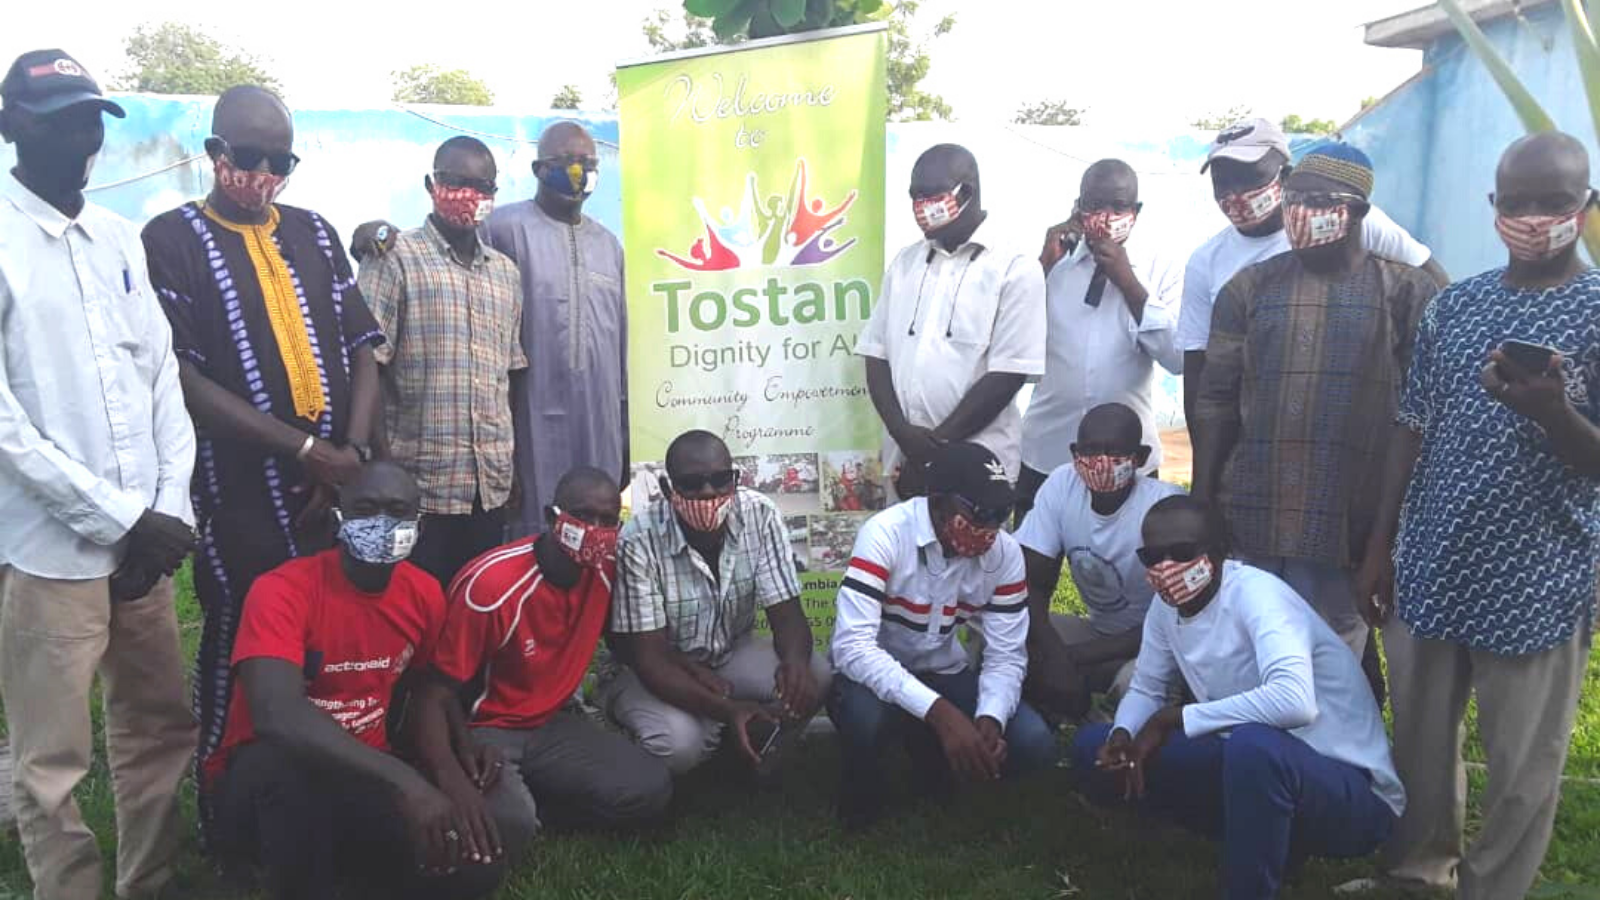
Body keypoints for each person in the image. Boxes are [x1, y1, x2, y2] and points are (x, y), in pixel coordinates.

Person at [1357, 131, 1600, 900]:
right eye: (1517, 202)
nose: (1533, 218)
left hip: (1540, 575)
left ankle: (1492, 889)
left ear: (1586, 206)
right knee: (1421, 745)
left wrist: (1554, 412)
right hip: (1434, 561)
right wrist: (1381, 547)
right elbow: (1411, 426)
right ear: (1495, 205)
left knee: (1522, 766)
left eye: (1554, 202)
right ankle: (1420, 870)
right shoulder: (1456, 305)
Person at [142, 84, 384, 817]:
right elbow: (181, 376)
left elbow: (363, 344)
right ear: (214, 152)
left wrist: (348, 452)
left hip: (333, 486)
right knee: (241, 639)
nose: (264, 174)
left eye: (282, 161)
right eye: (249, 157)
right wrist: (306, 450)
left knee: (330, 638)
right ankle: (227, 806)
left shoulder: (313, 232)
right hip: (240, 489)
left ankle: (329, 794)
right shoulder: (172, 240)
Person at [0, 49, 199, 900]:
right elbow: (6, 428)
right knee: (50, 760)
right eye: (59, 121)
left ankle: (149, 879)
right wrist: (122, 518)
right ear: (11, 126)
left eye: (91, 119)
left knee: (157, 727)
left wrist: (168, 509)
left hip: (145, 547)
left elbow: (162, 379)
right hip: (52, 555)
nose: (82, 137)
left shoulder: (118, 239)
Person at [1071, 496, 1404, 900]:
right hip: (1258, 764)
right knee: (1093, 746)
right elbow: (1147, 687)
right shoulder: (1165, 606)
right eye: (1152, 556)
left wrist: (1172, 718)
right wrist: (1124, 732)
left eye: (1182, 552)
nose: (1166, 566)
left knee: (1254, 747)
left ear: (1219, 552)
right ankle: (1260, 839)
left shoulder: (1259, 597)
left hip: (1352, 792)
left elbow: (1295, 701)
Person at [207, 462, 508, 900]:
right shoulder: (282, 590)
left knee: (474, 870)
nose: (381, 523)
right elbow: (277, 715)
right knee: (284, 773)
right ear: (338, 519)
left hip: (364, 770)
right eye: (365, 509)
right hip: (269, 778)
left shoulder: (424, 594)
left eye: (397, 511)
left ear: (419, 528)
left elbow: (427, 690)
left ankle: (346, 874)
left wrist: (453, 766)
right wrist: (405, 781)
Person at [1191, 143, 1439, 663]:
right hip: (1252, 520)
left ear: (1358, 213)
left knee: (1331, 669)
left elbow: (1419, 423)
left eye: (1319, 202)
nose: (1300, 213)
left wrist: (1383, 541)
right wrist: (1204, 501)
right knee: (1249, 658)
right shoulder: (1247, 289)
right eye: (1293, 200)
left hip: (1348, 530)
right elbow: (1215, 403)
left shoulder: (1404, 294)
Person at [413, 466, 672, 845]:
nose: (595, 530)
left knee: (650, 787)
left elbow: (635, 645)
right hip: (485, 730)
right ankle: (518, 807)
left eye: (608, 520)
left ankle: (537, 804)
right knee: (509, 827)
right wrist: (453, 768)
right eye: (583, 516)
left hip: (551, 722)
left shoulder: (608, 571)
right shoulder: (492, 586)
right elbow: (432, 694)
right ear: (553, 517)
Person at [829, 441, 1057, 829]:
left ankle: (940, 762)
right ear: (938, 502)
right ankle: (865, 798)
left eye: (1001, 513)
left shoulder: (1005, 553)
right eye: (980, 513)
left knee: (1033, 742)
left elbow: (1006, 655)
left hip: (944, 673)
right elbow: (853, 648)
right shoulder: (886, 532)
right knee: (866, 720)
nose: (992, 526)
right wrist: (941, 715)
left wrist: (990, 718)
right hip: (868, 677)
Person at [1178, 118, 1446, 432]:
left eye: (1249, 177)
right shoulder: (1206, 261)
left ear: (1284, 174)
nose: (1234, 192)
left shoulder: (1351, 219)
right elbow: (1198, 369)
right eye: (1222, 182)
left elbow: (1435, 280)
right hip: (1258, 425)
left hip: (1353, 419)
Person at [605, 430, 831, 776]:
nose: (709, 492)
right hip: (663, 669)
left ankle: (754, 755)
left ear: (735, 479)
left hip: (729, 653)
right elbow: (651, 659)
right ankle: (649, 745)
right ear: (667, 488)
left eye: (721, 479)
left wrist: (795, 663)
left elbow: (787, 613)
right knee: (679, 744)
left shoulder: (759, 513)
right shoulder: (638, 539)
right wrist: (729, 710)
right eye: (691, 483)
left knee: (814, 673)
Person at [358, 136, 527, 588]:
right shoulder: (393, 258)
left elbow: (507, 376)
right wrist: (382, 465)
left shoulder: (506, 274)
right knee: (417, 608)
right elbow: (367, 365)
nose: (468, 195)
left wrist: (510, 467)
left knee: (476, 605)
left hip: (487, 487)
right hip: (418, 487)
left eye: (482, 186)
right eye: (455, 181)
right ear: (431, 185)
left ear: (493, 195)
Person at [857, 143, 1046, 500]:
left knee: (972, 538)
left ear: (967, 192)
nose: (920, 207)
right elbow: (875, 355)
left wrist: (933, 451)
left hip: (977, 468)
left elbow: (1008, 375)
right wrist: (904, 436)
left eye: (931, 196)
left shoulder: (1015, 267)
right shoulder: (905, 263)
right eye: (914, 196)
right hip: (903, 465)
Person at [1018, 159, 1182, 521]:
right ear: (1078, 207)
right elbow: (1011, 337)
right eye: (1095, 204)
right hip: (1046, 452)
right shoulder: (1053, 262)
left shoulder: (1161, 268)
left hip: (1128, 460)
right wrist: (1042, 266)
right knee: (1033, 552)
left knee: (1132, 552)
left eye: (1119, 206)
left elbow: (1177, 357)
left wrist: (1128, 281)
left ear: (1136, 211)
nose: (1106, 217)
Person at [1014, 403, 1184, 720]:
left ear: (1141, 457)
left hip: (1155, 644)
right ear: (1074, 453)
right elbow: (1032, 584)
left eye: (1115, 452)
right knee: (1009, 635)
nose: (1102, 462)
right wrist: (1054, 654)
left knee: (1140, 686)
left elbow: (1177, 621)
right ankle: (1039, 722)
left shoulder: (1165, 507)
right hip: (1096, 631)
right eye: (1091, 451)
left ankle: (1112, 731)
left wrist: (1067, 658)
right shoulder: (1062, 485)